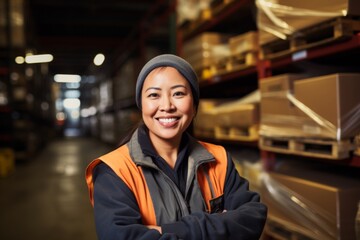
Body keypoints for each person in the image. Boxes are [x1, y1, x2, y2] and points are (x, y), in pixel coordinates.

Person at [85, 54, 267, 239]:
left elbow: (252, 219)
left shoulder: (218, 158)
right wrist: (220, 223)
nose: (166, 106)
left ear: (194, 106)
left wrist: (166, 231)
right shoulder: (114, 171)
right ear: (142, 106)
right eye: (154, 95)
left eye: (178, 93)